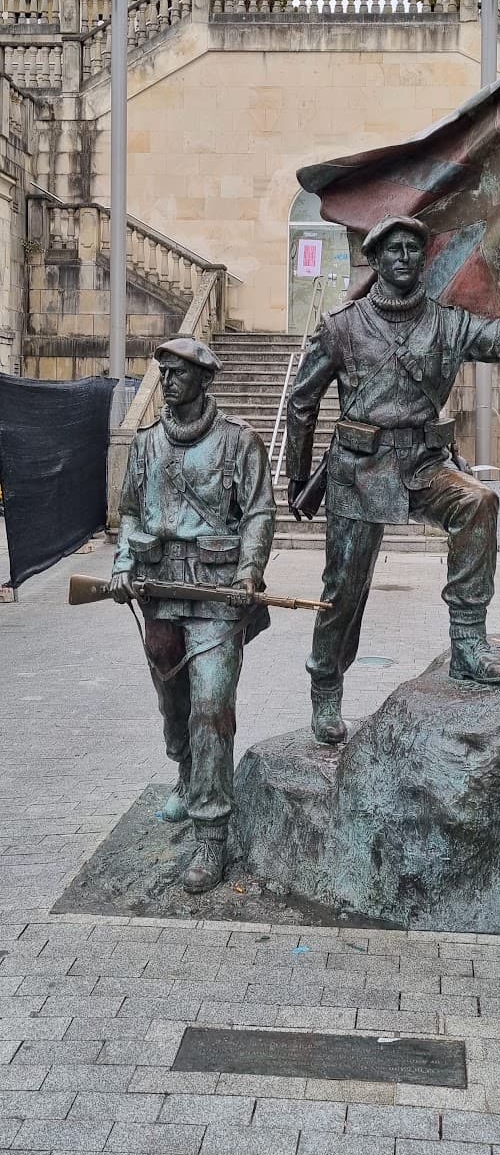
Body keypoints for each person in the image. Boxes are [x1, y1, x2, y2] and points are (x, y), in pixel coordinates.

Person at [286, 215, 500, 744]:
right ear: (375, 258)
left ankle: (468, 644)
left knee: (478, 503)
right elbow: (302, 401)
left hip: (423, 466)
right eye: (393, 249)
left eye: (414, 249)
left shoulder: (448, 323)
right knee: (344, 589)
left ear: (424, 260)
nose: (404, 257)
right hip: (359, 473)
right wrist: (298, 475)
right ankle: (326, 685)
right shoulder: (342, 327)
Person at [110, 336, 275, 893]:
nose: (169, 380)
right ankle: (183, 772)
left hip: (217, 594)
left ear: (206, 379)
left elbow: (258, 512)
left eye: (179, 371)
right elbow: (130, 511)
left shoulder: (239, 442)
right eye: (164, 371)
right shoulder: (148, 443)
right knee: (172, 698)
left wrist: (251, 572)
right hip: (159, 591)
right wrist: (122, 561)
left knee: (211, 708)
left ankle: (212, 836)